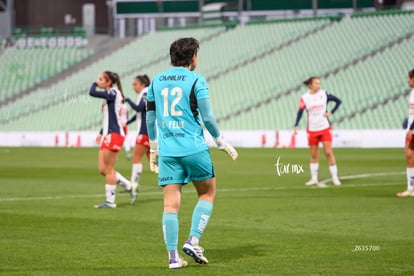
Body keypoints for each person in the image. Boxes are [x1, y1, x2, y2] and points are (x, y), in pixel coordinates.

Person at [146, 37, 238, 269]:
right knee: (207, 193)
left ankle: (173, 258)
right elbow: (207, 117)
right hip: (193, 148)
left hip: (167, 150)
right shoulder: (197, 80)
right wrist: (220, 140)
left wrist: (154, 148)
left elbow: (150, 117)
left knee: (169, 205)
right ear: (193, 56)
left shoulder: (156, 81)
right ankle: (193, 240)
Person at [89, 71, 137, 208]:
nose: (98, 81)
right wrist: (100, 132)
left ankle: (110, 201)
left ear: (109, 82)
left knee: (109, 169)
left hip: (114, 135)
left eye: (101, 79)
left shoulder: (113, 93)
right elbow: (109, 117)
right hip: (107, 134)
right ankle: (129, 185)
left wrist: (94, 84)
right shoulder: (110, 94)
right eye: (97, 79)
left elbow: (92, 92)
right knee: (102, 169)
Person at [293, 76, 342, 186]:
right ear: (310, 85)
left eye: (319, 83)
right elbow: (300, 111)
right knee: (314, 155)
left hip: (324, 128)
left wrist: (331, 112)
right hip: (312, 130)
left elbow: (338, 101)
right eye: (316, 84)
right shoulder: (304, 98)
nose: (318, 86)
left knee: (328, 152)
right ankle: (314, 178)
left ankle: (335, 177)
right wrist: (296, 124)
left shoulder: (324, 94)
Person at [125, 75, 151, 194]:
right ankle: (176, 179)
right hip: (151, 132)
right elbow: (141, 112)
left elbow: (138, 108)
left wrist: (128, 100)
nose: (133, 87)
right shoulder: (147, 93)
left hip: (145, 132)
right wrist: (127, 122)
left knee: (136, 157)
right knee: (154, 162)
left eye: (135, 84)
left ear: (142, 84)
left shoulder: (145, 93)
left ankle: (133, 185)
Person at [397, 69, 414, 197]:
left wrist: (411, 128)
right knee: (409, 157)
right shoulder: (412, 92)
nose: (408, 80)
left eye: (409, 78)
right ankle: (410, 188)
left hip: (412, 130)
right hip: (411, 130)